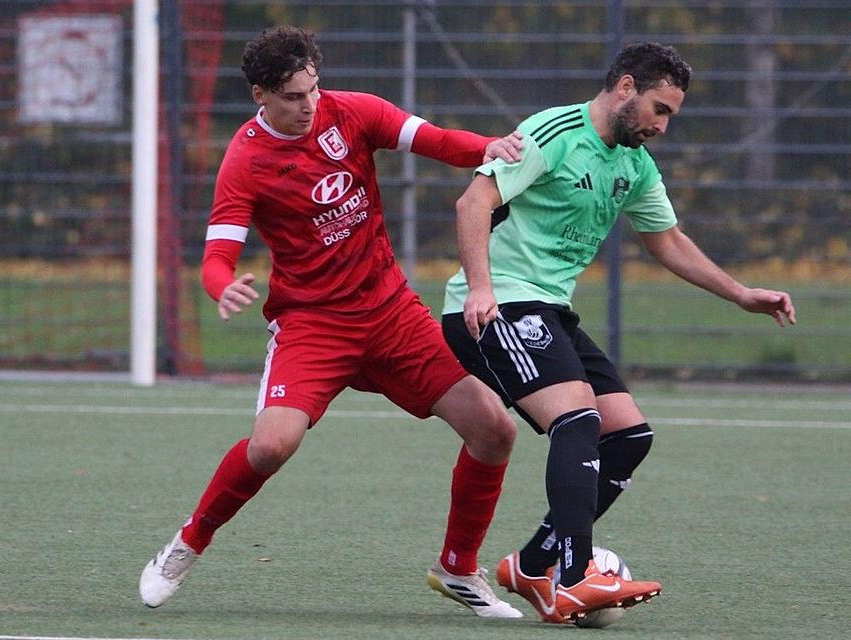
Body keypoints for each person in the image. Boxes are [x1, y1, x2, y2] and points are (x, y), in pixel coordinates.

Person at [139, 25, 529, 618]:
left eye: (313, 89)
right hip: (313, 325)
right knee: (271, 446)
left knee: (495, 430)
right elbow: (216, 255)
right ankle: (189, 542)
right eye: (294, 96)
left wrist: (486, 147)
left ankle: (457, 569)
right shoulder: (245, 159)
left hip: (392, 312)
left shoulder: (352, 113)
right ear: (260, 95)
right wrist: (224, 285)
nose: (309, 105)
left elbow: (435, 140)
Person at [441, 42, 796, 623]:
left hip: (550, 309)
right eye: (660, 109)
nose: (662, 125)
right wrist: (482, 287)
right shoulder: (555, 131)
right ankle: (573, 579)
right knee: (578, 420)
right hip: (496, 304)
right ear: (626, 87)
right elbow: (473, 201)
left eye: (670, 116)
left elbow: (668, 240)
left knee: (628, 436)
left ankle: (534, 563)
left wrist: (740, 293)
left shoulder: (633, 164)